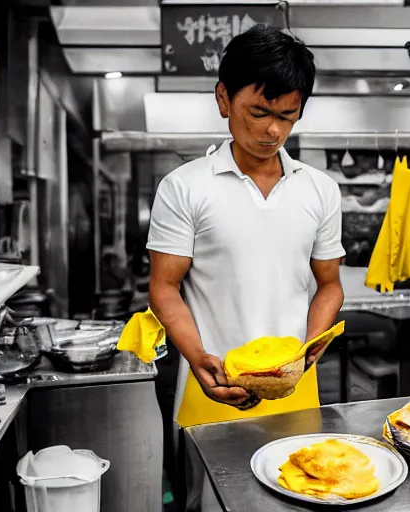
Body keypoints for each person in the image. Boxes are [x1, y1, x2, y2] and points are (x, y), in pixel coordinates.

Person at [147, 24, 345, 510]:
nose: (273, 130)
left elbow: (329, 287)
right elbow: (165, 288)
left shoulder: (320, 190)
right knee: (214, 503)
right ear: (223, 99)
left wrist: (308, 351)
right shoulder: (185, 187)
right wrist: (198, 358)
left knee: (304, 496)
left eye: (287, 116)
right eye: (258, 112)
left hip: (295, 388)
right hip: (211, 386)